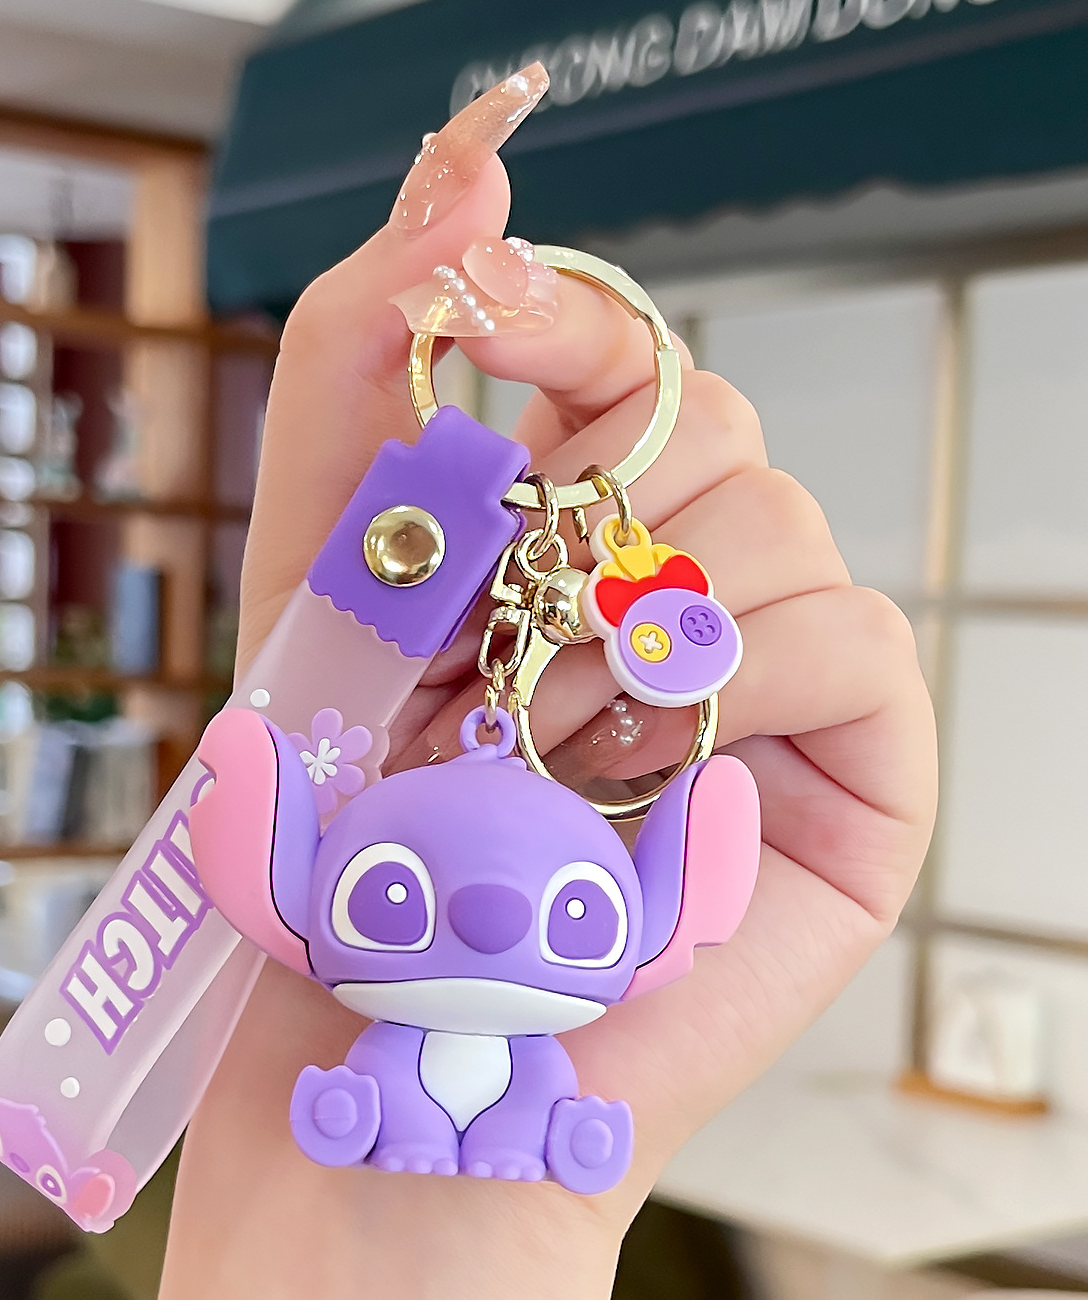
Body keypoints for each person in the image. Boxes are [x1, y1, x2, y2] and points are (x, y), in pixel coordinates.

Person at [158, 63, 937, 1299]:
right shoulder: (337, 894)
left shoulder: (544, 992)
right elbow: (266, 844)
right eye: (391, 898)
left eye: (581, 918)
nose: (477, 924)